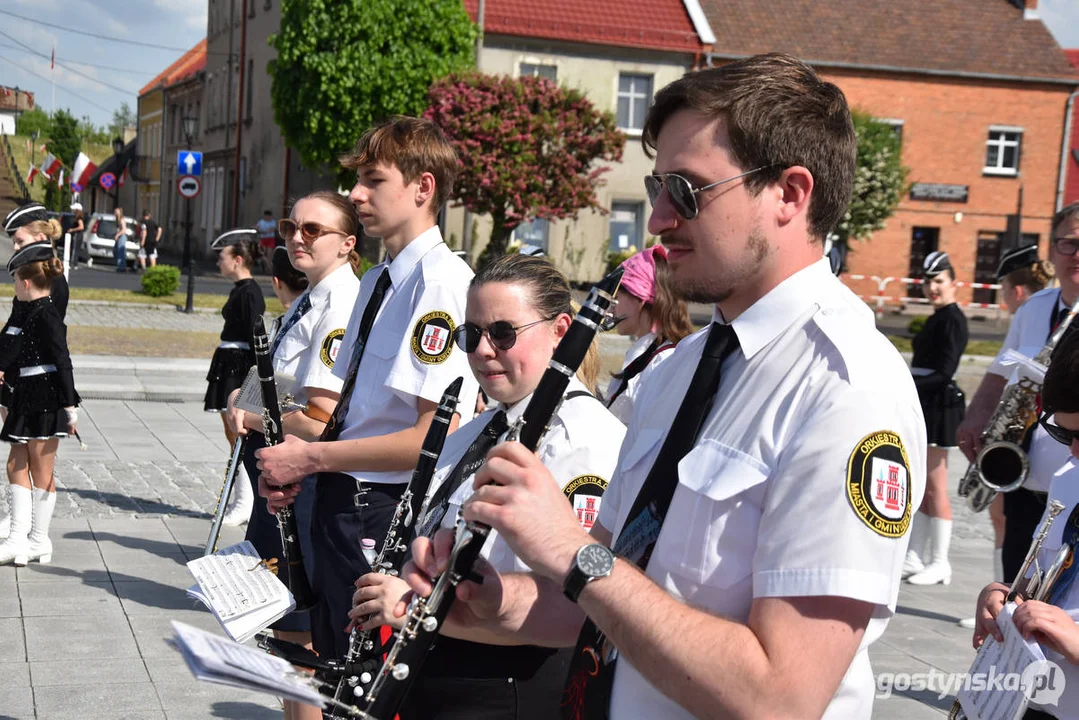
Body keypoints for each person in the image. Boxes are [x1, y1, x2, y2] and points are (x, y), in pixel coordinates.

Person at [403, 53, 926, 719]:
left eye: (688, 191)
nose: (657, 220)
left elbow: (782, 696)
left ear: (789, 194)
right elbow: (611, 598)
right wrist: (492, 598)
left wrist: (566, 546)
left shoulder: (845, 390)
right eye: (657, 190)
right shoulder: (681, 370)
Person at [348, 254, 626, 719]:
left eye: (503, 333)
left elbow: (574, 608)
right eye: (471, 335)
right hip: (442, 673)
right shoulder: (485, 426)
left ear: (561, 331)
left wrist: (410, 607)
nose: (481, 350)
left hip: (506, 687)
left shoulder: (584, 441)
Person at [257, 116, 481, 662]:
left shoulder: (442, 285)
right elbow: (356, 406)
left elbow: (436, 434)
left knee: (365, 671)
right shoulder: (380, 279)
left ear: (422, 187)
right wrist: (304, 463)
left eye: (373, 180)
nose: (356, 193)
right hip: (344, 497)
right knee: (333, 663)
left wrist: (311, 455)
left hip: (382, 510)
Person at [226, 192, 361, 720]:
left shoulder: (340, 305)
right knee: (284, 630)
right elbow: (284, 391)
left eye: (312, 229)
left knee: (297, 636)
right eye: (290, 227)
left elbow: (319, 420)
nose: (296, 238)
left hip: (305, 484)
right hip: (281, 477)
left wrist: (252, 416)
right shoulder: (312, 297)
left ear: (348, 244)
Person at [958, 203, 1079, 586]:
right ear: (1052, 248)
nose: (1076, 255)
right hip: (1025, 481)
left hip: (1076, 488)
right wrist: (976, 416)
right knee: (1015, 591)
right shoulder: (1034, 309)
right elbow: (999, 372)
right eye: (1069, 243)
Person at [970, 327, 1079, 720]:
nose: (1073, 450)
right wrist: (1003, 598)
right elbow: (1044, 586)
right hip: (1035, 701)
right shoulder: (1069, 477)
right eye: (1061, 431)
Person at [0, 242, 79, 566]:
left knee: (41, 468)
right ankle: (19, 535)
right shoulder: (28, 310)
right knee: (15, 465)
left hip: (47, 399)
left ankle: (38, 539)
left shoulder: (47, 313)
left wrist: (70, 407)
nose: (14, 286)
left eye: (16, 280)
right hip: (24, 394)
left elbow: (62, 360)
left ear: (26, 282)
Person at [903, 251, 969, 586]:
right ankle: (916, 555)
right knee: (923, 485)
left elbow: (945, 372)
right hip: (927, 402)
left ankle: (940, 561)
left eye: (940, 281)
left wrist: (905, 379)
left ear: (954, 283)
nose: (933, 287)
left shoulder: (954, 319)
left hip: (940, 405)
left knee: (936, 485)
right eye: (929, 281)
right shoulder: (937, 316)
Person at [205, 229, 264, 525]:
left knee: (238, 433)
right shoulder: (240, 289)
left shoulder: (250, 292)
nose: (219, 262)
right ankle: (243, 499)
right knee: (231, 434)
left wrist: (253, 381)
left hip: (240, 365)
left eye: (222, 257)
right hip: (229, 361)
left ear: (238, 260)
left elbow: (257, 337)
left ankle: (245, 501)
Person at [604, 245, 694, 423]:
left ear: (640, 297)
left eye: (616, 296)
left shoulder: (663, 362)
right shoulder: (648, 353)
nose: (611, 306)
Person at [256, 209, 277, 274]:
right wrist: (263, 231)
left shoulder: (273, 222)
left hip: (270, 239)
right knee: (263, 254)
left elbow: (271, 230)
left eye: (268, 216)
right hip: (263, 239)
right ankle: (266, 268)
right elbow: (257, 228)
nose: (267, 218)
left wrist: (262, 231)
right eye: (266, 216)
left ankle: (270, 269)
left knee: (269, 255)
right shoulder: (261, 221)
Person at [68, 204, 85, 270]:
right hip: (78, 235)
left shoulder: (79, 218)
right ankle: (74, 264)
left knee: (74, 249)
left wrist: (72, 230)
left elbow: (81, 227)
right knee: (75, 249)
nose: (73, 211)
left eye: (74, 210)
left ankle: (73, 263)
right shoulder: (78, 217)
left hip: (77, 235)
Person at [113, 206, 128, 273]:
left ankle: (121, 267)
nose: (115, 213)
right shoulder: (117, 219)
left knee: (120, 252)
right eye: (114, 212)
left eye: (116, 211)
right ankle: (121, 266)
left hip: (122, 236)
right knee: (115, 251)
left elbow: (124, 230)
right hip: (119, 236)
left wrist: (117, 235)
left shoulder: (122, 219)